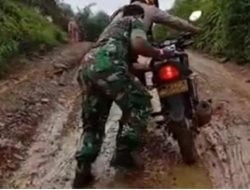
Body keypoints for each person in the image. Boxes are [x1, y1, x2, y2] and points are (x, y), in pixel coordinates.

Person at [73, 5, 178, 188]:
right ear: (138, 15)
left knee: (94, 120)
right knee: (141, 102)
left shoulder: (111, 29)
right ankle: (124, 153)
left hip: (87, 66)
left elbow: (128, 63)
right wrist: (160, 52)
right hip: (107, 64)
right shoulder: (133, 19)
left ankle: (83, 166)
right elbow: (139, 44)